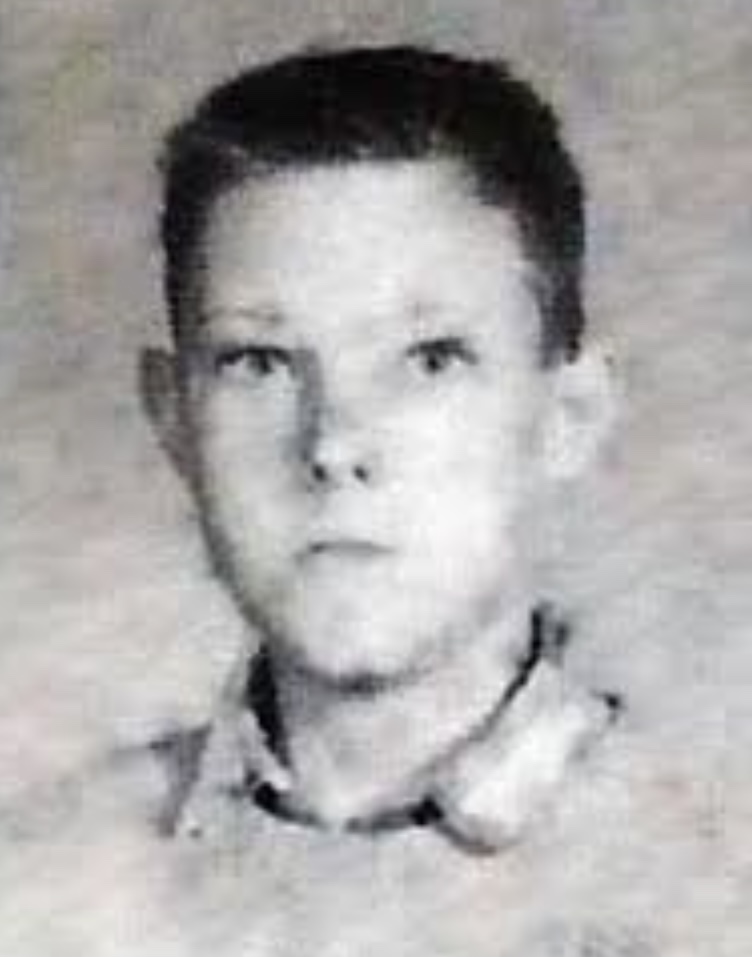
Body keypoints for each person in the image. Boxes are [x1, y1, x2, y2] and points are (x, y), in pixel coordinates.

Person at [141, 45, 621, 855]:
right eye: (259, 361)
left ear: (568, 415)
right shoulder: (36, 870)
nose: (334, 445)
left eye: (430, 359)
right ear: (173, 416)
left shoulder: (719, 855)